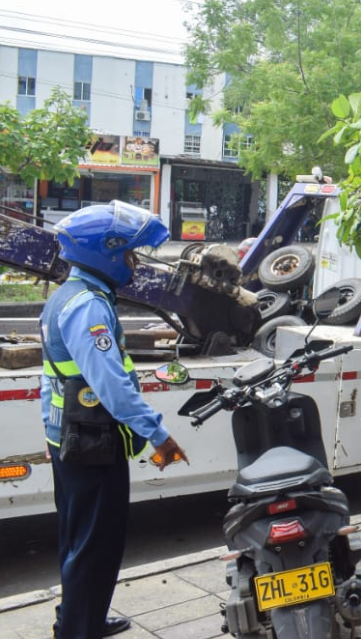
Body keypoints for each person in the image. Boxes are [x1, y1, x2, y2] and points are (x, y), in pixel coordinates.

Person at [41, 201, 188, 639]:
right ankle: (78, 630)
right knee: (95, 546)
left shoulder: (68, 295)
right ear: (102, 253)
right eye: (128, 253)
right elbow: (113, 388)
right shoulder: (88, 306)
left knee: (77, 539)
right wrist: (159, 436)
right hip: (91, 443)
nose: (134, 262)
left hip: (68, 435)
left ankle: (78, 616)